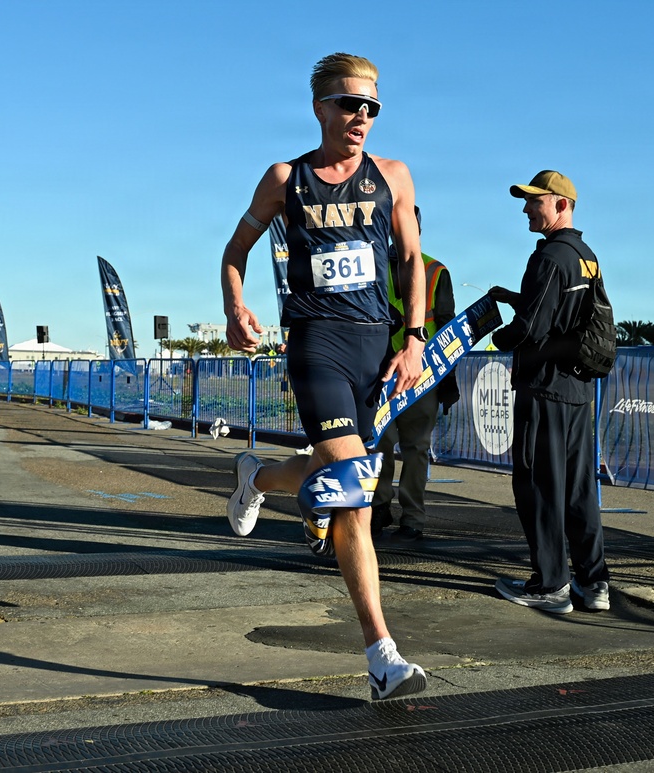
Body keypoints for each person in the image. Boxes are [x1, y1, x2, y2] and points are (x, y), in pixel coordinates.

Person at [220, 52, 429, 700]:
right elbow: (235, 250)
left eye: (372, 107)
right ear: (320, 107)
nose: (361, 117)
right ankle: (381, 656)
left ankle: (255, 475)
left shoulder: (393, 176)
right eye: (349, 104)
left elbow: (413, 257)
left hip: (376, 348)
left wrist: (415, 337)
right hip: (316, 344)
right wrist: (235, 304)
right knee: (354, 498)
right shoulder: (286, 178)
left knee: (328, 471)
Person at [488, 170, 610, 615]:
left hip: (543, 389)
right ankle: (593, 584)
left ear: (561, 204)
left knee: (538, 485)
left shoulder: (549, 258)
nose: (526, 208)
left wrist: (496, 337)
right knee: (578, 490)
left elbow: (531, 329)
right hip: (577, 388)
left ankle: (550, 585)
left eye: (534, 201)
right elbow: (564, 315)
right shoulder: (585, 256)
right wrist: (517, 297)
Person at [371, 208, 459, 541]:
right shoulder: (371, 269)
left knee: (415, 448)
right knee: (379, 445)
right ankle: (380, 507)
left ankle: (412, 518)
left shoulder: (435, 271)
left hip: (421, 377)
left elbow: (448, 329)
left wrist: (448, 383)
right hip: (380, 376)